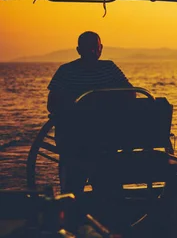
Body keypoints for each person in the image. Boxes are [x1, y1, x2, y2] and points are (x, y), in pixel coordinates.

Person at [47, 31, 134, 194]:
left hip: (101, 141)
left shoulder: (109, 67)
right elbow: (52, 103)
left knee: (101, 184)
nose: (94, 52)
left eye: (96, 48)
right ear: (79, 50)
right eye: (89, 48)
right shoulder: (66, 71)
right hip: (80, 141)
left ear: (101, 48)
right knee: (80, 183)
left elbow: (130, 93)